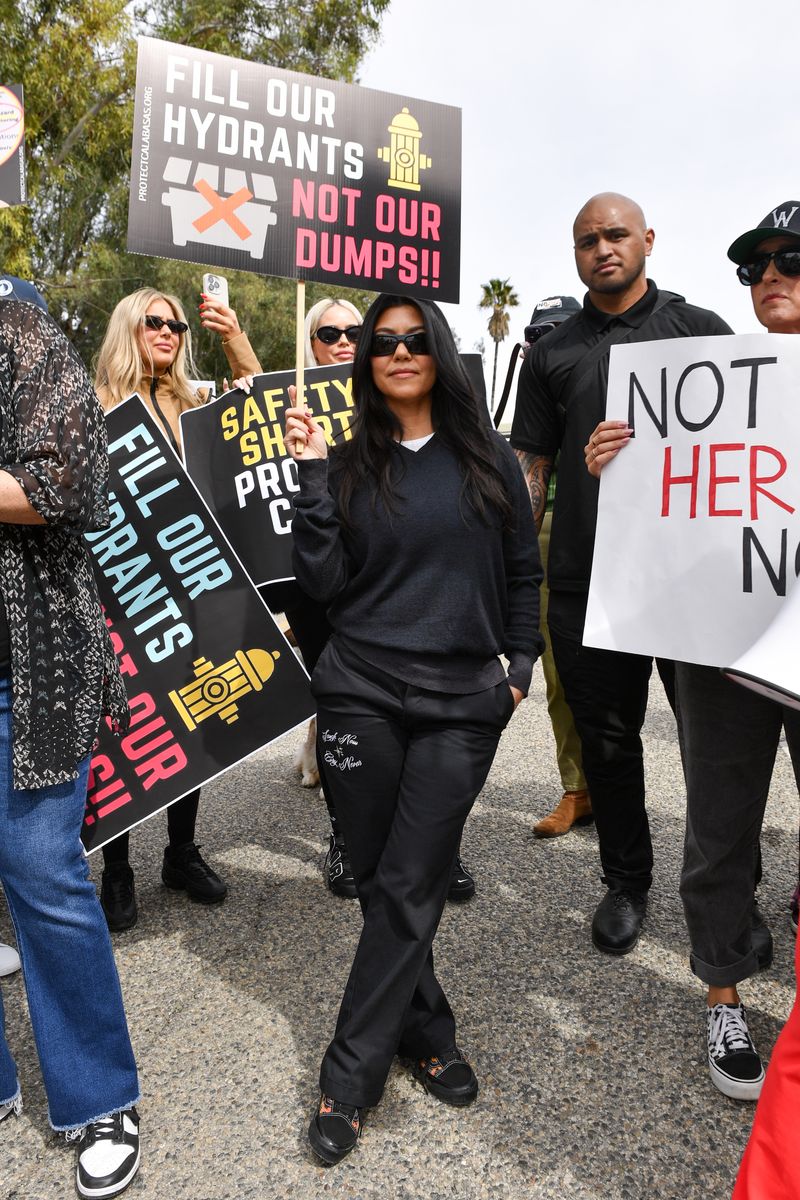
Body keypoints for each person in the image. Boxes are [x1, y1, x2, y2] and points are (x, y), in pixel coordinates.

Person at [284, 292, 542, 1163]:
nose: (396, 351)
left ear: (438, 351)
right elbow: (317, 584)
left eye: (411, 339)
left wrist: (518, 672)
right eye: (380, 341)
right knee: (383, 879)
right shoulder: (349, 461)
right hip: (359, 692)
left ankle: (347, 1076)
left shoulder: (489, 459)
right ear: (366, 362)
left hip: (462, 704)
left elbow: (522, 574)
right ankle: (426, 1029)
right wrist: (311, 477)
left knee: (410, 875)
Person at [585, 201, 800, 1111]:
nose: (770, 277)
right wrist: (618, 464)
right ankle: (723, 992)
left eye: (792, 258)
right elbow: (677, 510)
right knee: (719, 826)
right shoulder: (710, 384)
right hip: (725, 646)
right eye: (754, 268)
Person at [510, 192, 732, 955]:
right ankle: (626, 882)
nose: (602, 248)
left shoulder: (699, 328)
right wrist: (509, 551)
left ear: (647, 240)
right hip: (585, 578)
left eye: (615, 235)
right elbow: (530, 467)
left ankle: (732, 894)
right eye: (586, 240)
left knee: (715, 746)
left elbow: (743, 446)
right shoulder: (552, 351)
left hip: (690, 579)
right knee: (608, 741)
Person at [0, 294, 141, 1197]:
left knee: (43, 875)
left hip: (27, 671)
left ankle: (101, 1097)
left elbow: (68, 484)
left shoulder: (14, 323)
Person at [93, 286, 258, 930]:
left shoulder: (194, 402)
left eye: (178, 325)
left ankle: (181, 853)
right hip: (123, 588)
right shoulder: (93, 403)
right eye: (155, 322)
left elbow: (258, 396)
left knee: (195, 712)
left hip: (195, 585)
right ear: (129, 327)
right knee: (127, 724)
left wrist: (231, 334)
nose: (169, 332)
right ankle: (116, 869)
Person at [520, 296, 593, 837]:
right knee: (560, 671)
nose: (548, 341)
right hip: (551, 531)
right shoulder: (535, 382)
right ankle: (579, 788)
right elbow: (529, 466)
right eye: (538, 332)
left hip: (631, 526)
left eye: (559, 330)